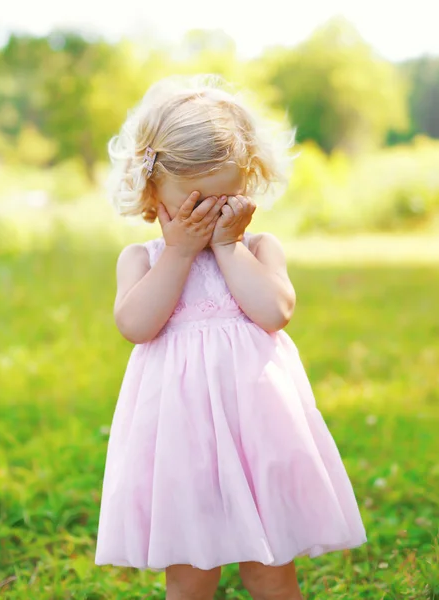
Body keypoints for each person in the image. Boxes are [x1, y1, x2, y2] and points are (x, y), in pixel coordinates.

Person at [94, 74, 367, 600]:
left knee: (270, 566)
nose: (213, 216)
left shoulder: (259, 248)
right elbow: (136, 325)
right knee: (190, 571)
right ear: (152, 191)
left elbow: (273, 312)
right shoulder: (143, 260)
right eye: (196, 204)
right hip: (180, 439)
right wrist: (178, 252)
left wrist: (228, 246)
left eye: (227, 201)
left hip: (257, 434)